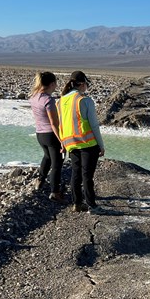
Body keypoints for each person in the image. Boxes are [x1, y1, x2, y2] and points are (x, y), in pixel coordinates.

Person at [58, 70, 105, 214]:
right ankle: (92, 205)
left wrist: (63, 144)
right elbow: (94, 125)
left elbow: (61, 124)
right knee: (87, 177)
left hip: (71, 144)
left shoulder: (60, 101)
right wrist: (101, 145)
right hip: (88, 143)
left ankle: (77, 203)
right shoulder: (84, 100)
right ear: (83, 84)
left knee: (76, 174)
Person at [29, 71, 66, 202]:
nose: (56, 86)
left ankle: (40, 180)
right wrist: (62, 140)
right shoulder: (49, 100)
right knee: (57, 164)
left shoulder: (34, 96)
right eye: (55, 84)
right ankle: (55, 192)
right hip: (51, 135)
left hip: (40, 134)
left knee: (47, 157)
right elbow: (54, 123)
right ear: (51, 84)